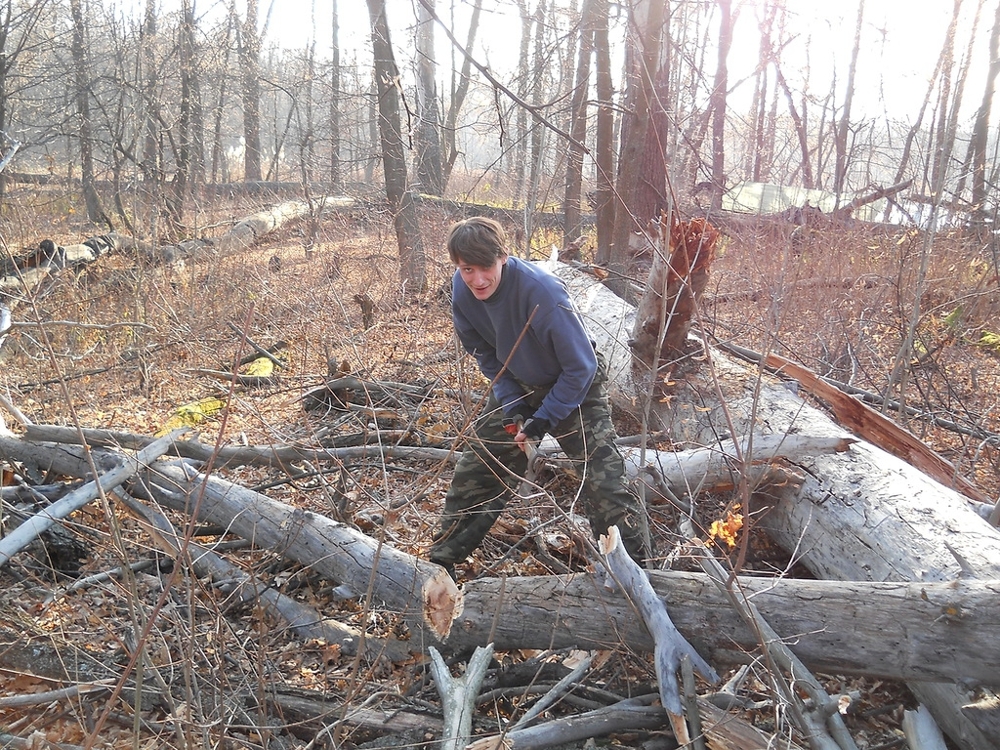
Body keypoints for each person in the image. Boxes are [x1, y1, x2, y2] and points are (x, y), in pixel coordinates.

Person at [428, 216, 653, 576]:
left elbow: (581, 366)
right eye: (467, 269)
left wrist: (544, 420)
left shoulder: (541, 292)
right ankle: (441, 565)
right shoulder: (462, 290)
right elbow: (485, 353)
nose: (478, 280)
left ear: (503, 256)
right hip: (517, 381)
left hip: (573, 385)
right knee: (478, 470)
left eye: (485, 268)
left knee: (602, 480)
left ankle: (639, 575)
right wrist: (513, 401)